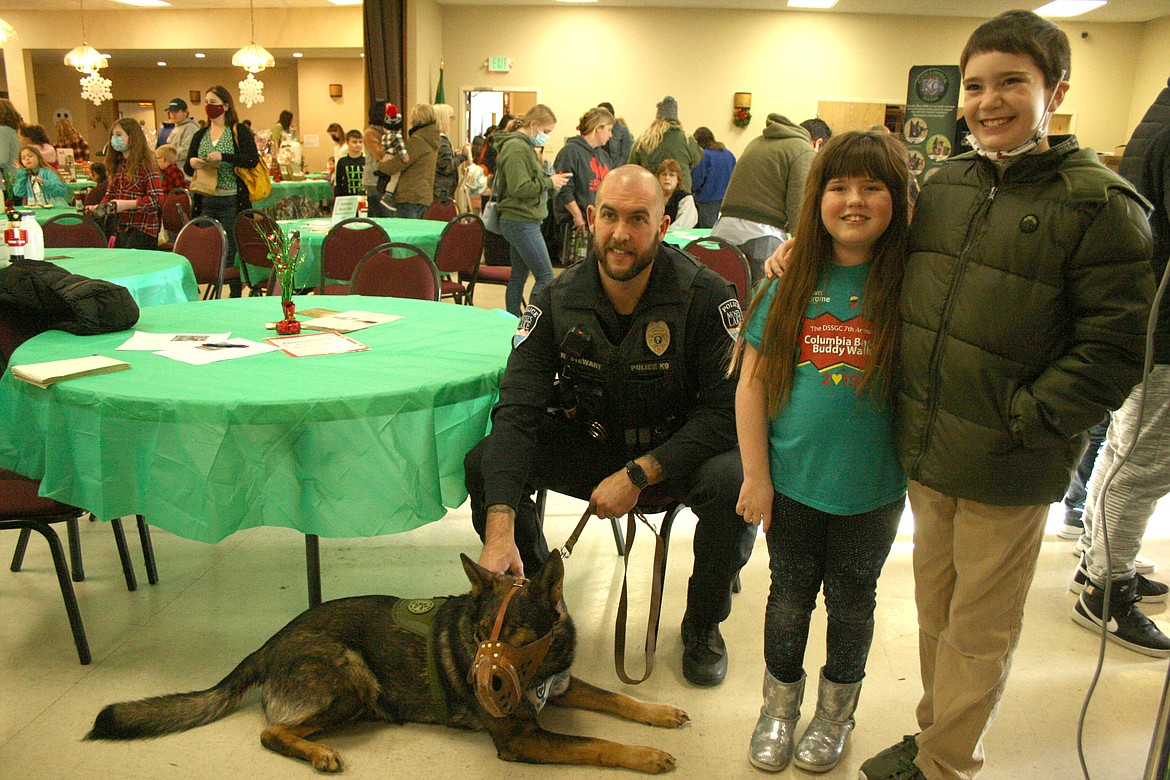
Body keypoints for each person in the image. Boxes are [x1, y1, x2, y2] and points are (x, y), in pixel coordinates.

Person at [838, 12, 1155, 780]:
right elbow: (869, 255)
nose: (988, 101)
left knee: (979, 630)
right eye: (975, 85)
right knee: (936, 616)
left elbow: (1114, 352)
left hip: (1010, 461)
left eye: (1012, 81)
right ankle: (934, 737)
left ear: (1056, 90)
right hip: (930, 447)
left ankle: (948, 765)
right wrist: (794, 251)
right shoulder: (946, 185)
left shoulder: (1102, 207)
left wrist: (1028, 419)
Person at [464, 164, 756, 687]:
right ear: (591, 220)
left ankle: (703, 624)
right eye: (611, 218)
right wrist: (499, 524)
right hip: (593, 445)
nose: (621, 234)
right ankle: (539, 602)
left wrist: (640, 474)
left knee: (734, 480)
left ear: (663, 227)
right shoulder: (556, 297)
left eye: (638, 220)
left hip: (676, 455)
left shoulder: (708, 295)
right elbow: (518, 407)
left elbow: (724, 413)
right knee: (487, 461)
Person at [735, 130, 910, 774]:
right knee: (787, 600)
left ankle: (836, 715)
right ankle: (778, 709)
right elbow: (752, 385)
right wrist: (757, 475)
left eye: (872, 187)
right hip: (793, 484)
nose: (854, 200)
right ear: (816, 198)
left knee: (853, 603)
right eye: (838, 187)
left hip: (875, 491)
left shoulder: (911, 278)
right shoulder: (789, 277)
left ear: (899, 198)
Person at [1068, 74, 1170, 657]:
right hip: (1162, 326)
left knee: (1124, 448)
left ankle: (1099, 561)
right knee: (1144, 464)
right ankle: (1107, 588)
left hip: (1153, 320)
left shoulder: (1156, 115)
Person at [712, 113, 815, 282]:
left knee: (730, 295)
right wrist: (805, 249)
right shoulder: (803, 150)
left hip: (724, 230)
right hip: (763, 235)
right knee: (766, 296)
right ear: (818, 143)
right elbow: (801, 206)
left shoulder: (757, 141)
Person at [489, 104, 571, 315]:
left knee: (519, 275)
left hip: (522, 220)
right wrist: (548, 183)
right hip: (521, 221)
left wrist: (551, 183)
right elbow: (520, 188)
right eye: (546, 132)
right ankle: (534, 323)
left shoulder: (522, 146)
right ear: (534, 125)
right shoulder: (517, 148)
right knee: (545, 277)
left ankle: (512, 319)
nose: (546, 137)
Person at [183, 85, 260, 296]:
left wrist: (224, 157)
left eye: (214, 103)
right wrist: (193, 162)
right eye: (207, 102)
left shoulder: (238, 132)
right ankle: (209, 286)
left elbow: (251, 159)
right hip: (206, 198)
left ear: (226, 106)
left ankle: (234, 291)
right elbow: (187, 168)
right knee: (209, 246)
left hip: (232, 199)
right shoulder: (200, 134)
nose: (209, 106)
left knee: (231, 250)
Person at [86, 118, 163, 250]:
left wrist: (128, 204)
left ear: (132, 137)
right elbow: (110, 195)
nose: (114, 139)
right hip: (121, 227)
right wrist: (98, 208)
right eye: (113, 135)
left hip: (143, 228)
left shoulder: (146, 165)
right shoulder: (118, 164)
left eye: (119, 135)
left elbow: (156, 200)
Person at [551, 106, 614, 262]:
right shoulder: (570, 151)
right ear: (598, 128)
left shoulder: (603, 155)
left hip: (598, 220)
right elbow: (565, 188)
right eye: (609, 129)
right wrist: (577, 215)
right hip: (576, 222)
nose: (610, 135)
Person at [377, 103, 439, 219]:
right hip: (424, 195)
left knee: (405, 234)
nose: (411, 122)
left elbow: (399, 162)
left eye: (413, 119)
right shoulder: (432, 139)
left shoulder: (418, 140)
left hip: (409, 196)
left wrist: (381, 166)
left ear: (419, 120)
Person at [629, 96, 702, 191]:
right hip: (680, 195)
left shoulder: (643, 140)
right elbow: (697, 159)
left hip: (651, 194)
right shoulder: (687, 139)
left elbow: (631, 167)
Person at [690, 127, 736, 229]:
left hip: (708, 201)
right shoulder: (728, 154)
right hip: (728, 201)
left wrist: (691, 190)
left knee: (708, 236)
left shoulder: (704, 155)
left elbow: (697, 179)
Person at [362, 100, 393, 218]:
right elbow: (380, 155)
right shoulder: (370, 133)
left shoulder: (390, 132)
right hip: (374, 182)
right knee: (380, 214)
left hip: (387, 180)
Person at [657, 158, 697, 232]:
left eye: (671, 175)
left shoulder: (686, 199)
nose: (667, 178)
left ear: (678, 179)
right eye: (664, 174)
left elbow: (682, 226)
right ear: (658, 178)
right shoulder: (653, 197)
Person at [432, 103, 458, 204]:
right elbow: (447, 166)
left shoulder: (436, 139)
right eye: (451, 118)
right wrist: (462, 156)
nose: (452, 121)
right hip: (441, 191)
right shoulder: (443, 141)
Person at [164, 98, 200, 166]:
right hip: (175, 167)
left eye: (176, 112)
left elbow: (186, 150)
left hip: (183, 170)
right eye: (171, 112)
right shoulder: (177, 126)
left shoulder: (190, 127)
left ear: (185, 112)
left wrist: (168, 156)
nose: (173, 115)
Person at [0, 99, 24, 190]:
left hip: (6, 182)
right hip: (13, 178)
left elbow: (2, 159)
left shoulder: (2, 131)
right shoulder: (12, 131)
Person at [333, 129, 366, 198]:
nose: (358, 145)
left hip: (365, 196)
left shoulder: (367, 160)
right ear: (347, 142)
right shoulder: (342, 161)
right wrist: (337, 197)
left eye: (360, 142)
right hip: (347, 196)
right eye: (354, 142)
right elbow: (338, 181)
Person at [599, 101, 633, 165]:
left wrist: (616, 170)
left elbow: (626, 155)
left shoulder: (622, 130)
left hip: (617, 168)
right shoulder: (597, 131)